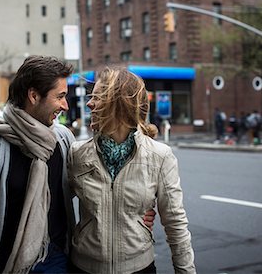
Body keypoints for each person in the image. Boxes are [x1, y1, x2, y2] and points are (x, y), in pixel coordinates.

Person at [0, 55, 155, 274]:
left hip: (57, 259)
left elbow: (91, 186)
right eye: (60, 97)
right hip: (5, 264)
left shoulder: (62, 139)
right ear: (33, 96)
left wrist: (135, 207)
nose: (66, 106)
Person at [68, 68, 196, 274]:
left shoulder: (160, 156)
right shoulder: (77, 154)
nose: (89, 103)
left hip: (139, 267)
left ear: (119, 104)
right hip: (83, 267)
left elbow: (176, 224)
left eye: (98, 97)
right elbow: (54, 209)